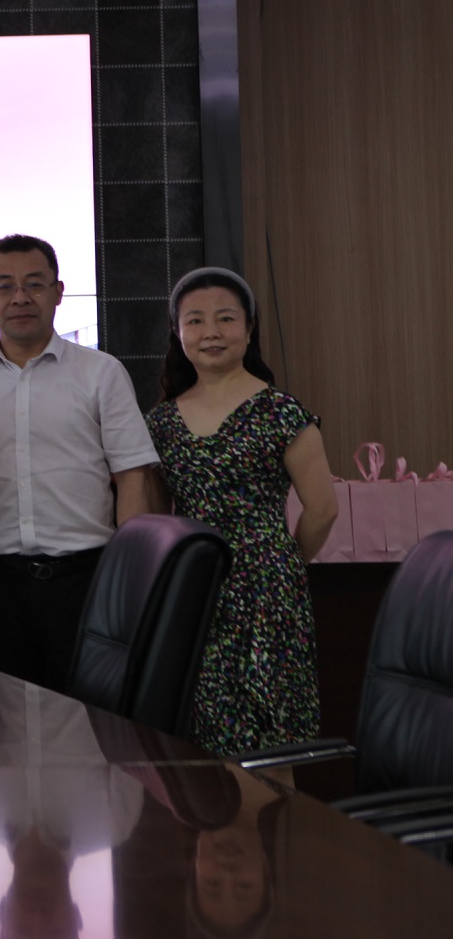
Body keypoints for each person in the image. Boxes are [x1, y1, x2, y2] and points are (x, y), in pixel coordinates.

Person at [0, 234, 160, 690]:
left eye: (34, 284)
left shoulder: (101, 373)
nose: (20, 297)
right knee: (2, 719)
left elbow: (132, 477)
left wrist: (128, 591)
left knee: (91, 718)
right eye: (5, 286)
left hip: (85, 581)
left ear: (58, 292)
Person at [148, 267, 335, 755]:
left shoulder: (281, 412)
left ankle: (274, 811)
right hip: (192, 591)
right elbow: (156, 520)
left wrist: (279, 564)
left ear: (249, 329)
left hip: (267, 596)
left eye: (226, 318)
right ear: (178, 333)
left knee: (269, 739)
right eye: (195, 320)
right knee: (197, 735)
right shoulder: (161, 422)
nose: (211, 332)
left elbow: (322, 509)